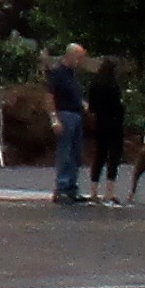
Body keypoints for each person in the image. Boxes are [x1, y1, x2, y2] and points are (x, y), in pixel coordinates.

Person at [48, 43, 88, 204]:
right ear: (69, 56)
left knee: (75, 153)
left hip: (76, 114)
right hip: (64, 114)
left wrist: (83, 103)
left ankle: (72, 186)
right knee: (65, 152)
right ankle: (62, 187)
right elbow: (49, 97)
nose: (79, 62)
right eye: (78, 58)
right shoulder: (57, 74)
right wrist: (54, 118)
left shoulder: (72, 75)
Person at [86, 57, 126, 204]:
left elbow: (91, 107)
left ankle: (93, 191)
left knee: (99, 155)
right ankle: (109, 192)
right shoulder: (114, 85)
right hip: (115, 123)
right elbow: (118, 104)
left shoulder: (95, 83)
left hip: (100, 122)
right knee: (113, 156)